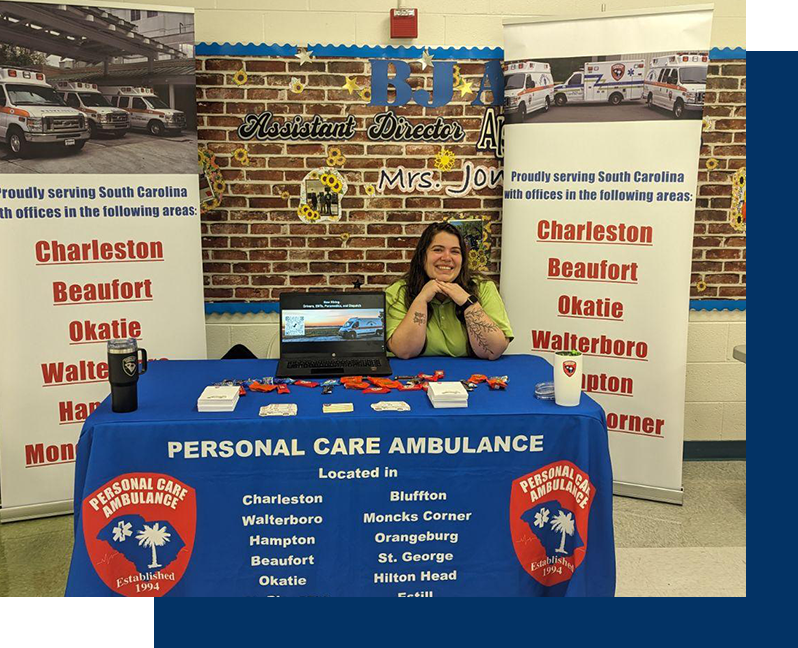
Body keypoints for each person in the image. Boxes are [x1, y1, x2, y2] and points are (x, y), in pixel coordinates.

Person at [385, 222, 514, 359]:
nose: (446, 258)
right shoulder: (399, 291)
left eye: (455, 251)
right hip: (415, 377)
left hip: (473, 376)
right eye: (438, 250)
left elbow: (493, 351)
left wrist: (468, 303)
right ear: (423, 256)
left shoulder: (484, 287)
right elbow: (404, 351)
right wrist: (421, 300)